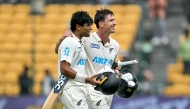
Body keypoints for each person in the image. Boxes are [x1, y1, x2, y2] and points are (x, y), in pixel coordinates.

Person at [56, 8, 120, 109]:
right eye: (111, 20)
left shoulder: (115, 45)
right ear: (101, 23)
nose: (90, 28)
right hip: (84, 89)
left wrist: (119, 73)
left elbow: (115, 65)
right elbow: (61, 55)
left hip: (89, 89)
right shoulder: (82, 39)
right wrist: (62, 39)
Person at [57, 11, 100, 109]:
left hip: (78, 88)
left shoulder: (76, 42)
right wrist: (87, 79)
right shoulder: (70, 42)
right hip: (71, 88)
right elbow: (64, 69)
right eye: (88, 25)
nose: (91, 28)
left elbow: (57, 50)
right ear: (78, 26)